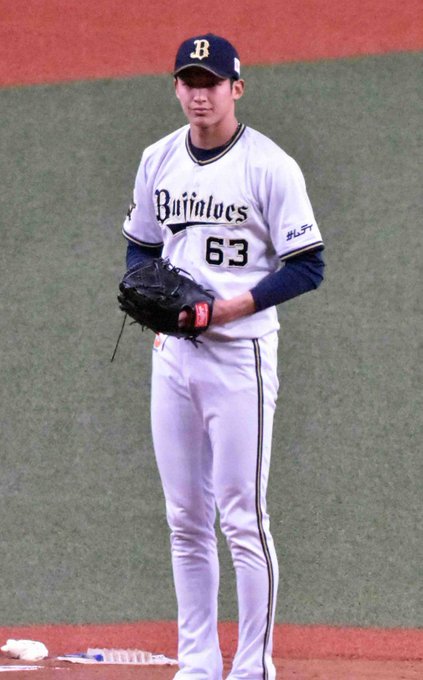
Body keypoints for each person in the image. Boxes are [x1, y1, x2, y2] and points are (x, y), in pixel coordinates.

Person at [121, 33, 325, 680]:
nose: (199, 94)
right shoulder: (157, 159)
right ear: (176, 88)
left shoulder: (270, 166)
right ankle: (198, 664)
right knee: (185, 519)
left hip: (240, 359)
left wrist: (227, 309)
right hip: (173, 357)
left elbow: (307, 265)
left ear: (236, 88)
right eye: (189, 81)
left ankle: (253, 667)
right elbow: (140, 247)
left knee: (242, 519)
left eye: (211, 82)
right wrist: (146, 289)